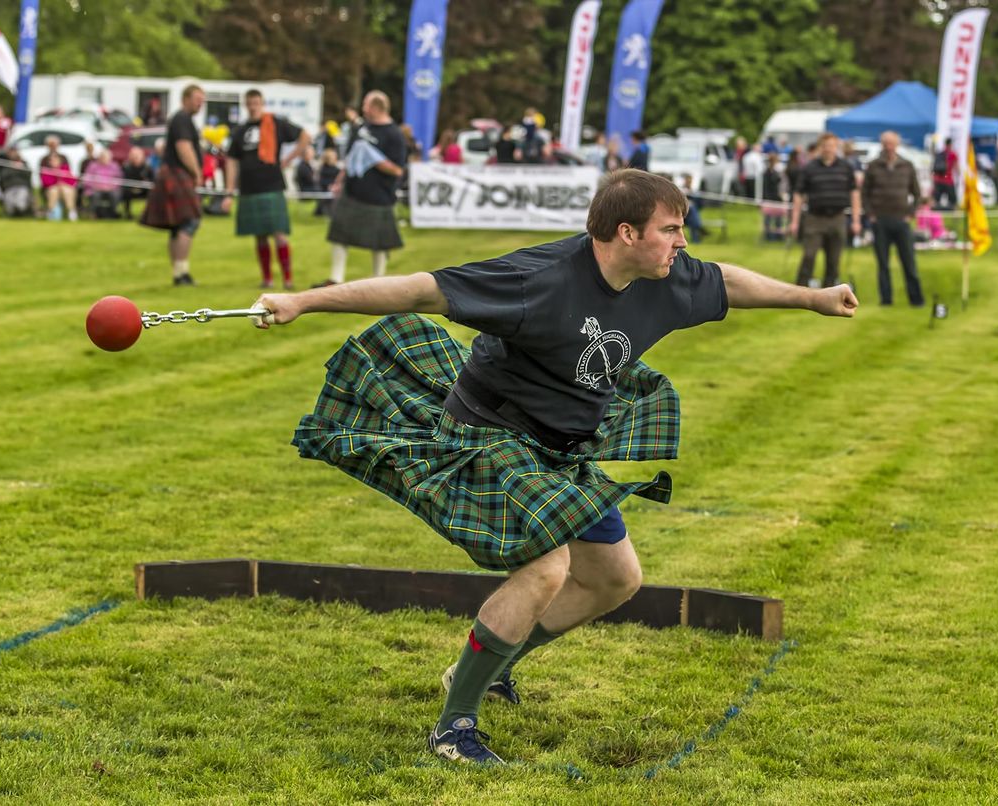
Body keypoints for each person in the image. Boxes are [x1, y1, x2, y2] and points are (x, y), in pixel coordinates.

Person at [250, 169, 859, 765]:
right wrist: (301, 300)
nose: (682, 242)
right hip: (489, 436)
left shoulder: (666, 277)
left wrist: (813, 298)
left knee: (615, 580)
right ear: (626, 233)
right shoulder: (536, 280)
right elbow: (417, 289)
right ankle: (453, 727)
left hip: (564, 447)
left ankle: (485, 670)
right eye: (671, 229)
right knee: (546, 570)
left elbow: (726, 282)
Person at [222, 89, 311, 290]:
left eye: (256, 102)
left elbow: (305, 136)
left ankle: (287, 279)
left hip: (272, 185)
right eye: (250, 103)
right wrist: (229, 192)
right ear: (246, 105)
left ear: (262, 103)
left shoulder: (276, 123)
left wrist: (288, 160)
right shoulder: (240, 130)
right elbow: (232, 161)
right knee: (259, 235)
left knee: (279, 234)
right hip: (249, 188)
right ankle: (267, 279)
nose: (253, 106)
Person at [317, 90, 406, 286]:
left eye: (366, 105)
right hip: (353, 192)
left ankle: (378, 281)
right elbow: (350, 159)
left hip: (380, 196)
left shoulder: (394, 134)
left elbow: (398, 170)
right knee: (339, 234)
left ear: (376, 108)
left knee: (380, 242)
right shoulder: (363, 128)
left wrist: (373, 159)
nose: (363, 109)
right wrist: (339, 181)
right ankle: (335, 279)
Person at [141, 84, 206, 287]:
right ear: (185, 98)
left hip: (174, 174)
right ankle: (181, 273)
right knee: (189, 221)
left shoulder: (181, 118)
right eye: (197, 98)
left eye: (202, 99)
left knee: (178, 226)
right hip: (178, 174)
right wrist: (197, 172)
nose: (200, 103)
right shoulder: (181, 119)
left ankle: (180, 273)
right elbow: (183, 147)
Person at [789, 132, 861, 288]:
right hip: (815, 218)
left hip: (838, 218)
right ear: (820, 147)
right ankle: (800, 289)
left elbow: (854, 194)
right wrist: (794, 221)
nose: (828, 149)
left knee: (834, 259)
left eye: (832, 146)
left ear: (837, 147)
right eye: (825, 146)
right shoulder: (809, 168)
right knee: (809, 256)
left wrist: (856, 220)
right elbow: (798, 195)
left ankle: (829, 291)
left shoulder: (846, 167)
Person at [862, 130, 923, 307]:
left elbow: (917, 193)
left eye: (892, 143)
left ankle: (916, 299)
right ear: (882, 145)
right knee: (883, 264)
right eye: (886, 143)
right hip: (880, 220)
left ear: (897, 145)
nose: (889, 147)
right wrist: (870, 214)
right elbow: (864, 193)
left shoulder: (907, 165)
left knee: (909, 262)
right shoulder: (873, 166)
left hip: (901, 220)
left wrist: (911, 213)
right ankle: (886, 299)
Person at [39, 138, 78, 221]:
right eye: (51, 160)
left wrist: (62, 182)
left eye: (55, 160)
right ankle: (50, 213)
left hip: (65, 188)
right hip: (52, 188)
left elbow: (72, 181)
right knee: (54, 191)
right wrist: (56, 181)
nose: (53, 161)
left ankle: (71, 212)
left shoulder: (65, 168)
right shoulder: (46, 169)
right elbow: (45, 182)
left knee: (66, 190)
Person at [81, 148, 123, 219]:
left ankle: (112, 212)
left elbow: (119, 179)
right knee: (95, 195)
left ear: (110, 158)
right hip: (95, 189)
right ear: (99, 157)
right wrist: (96, 186)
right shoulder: (92, 166)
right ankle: (92, 213)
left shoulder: (114, 166)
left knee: (115, 195)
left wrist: (111, 187)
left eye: (106, 157)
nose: (104, 159)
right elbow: (86, 179)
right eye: (102, 157)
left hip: (111, 189)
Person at [0, 146, 33, 217]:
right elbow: (3, 177)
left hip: (22, 187)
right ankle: (13, 214)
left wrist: (21, 168)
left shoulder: (24, 164)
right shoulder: (5, 164)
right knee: (10, 206)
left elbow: (28, 176)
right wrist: (12, 168)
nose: (12, 154)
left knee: (20, 202)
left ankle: (21, 213)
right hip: (9, 187)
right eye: (11, 153)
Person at [121, 146, 154, 220]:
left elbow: (153, 181)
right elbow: (124, 181)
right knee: (125, 192)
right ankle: (127, 213)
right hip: (130, 189)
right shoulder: (126, 167)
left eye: (137, 156)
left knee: (152, 192)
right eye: (134, 156)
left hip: (144, 190)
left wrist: (147, 182)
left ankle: (147, 213)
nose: (135, 158)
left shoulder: (147, 167)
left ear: (142, 156)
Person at [761, 152, 785, 241]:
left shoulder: (773, 172)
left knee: (776, 218)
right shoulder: (768, 173)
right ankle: (769, 235)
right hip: (771, 198)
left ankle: (777, 235)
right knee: (770, 218)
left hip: (773, 197)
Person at [932, 137, 958, 210]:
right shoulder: (953, 154)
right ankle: (954, 217)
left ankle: (934, 216)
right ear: (951, 144)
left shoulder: (940, 154)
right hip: (948, 180)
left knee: (936, 201)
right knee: (953, 201)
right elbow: (956, 167)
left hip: (938, 180)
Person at [315, 147, 340, 217]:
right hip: (324, 189)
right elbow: (321, 181)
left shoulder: (335, 169)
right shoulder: (323, 169)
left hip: (332, 189)